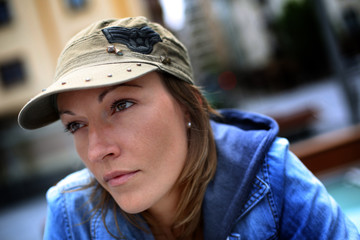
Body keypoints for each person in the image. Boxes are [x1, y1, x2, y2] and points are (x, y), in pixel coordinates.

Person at [18, 17, 359, 240]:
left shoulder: (271, 173)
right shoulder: (70, 211)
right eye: (75, 124)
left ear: (189, 105)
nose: (95, 151)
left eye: (121, 105)